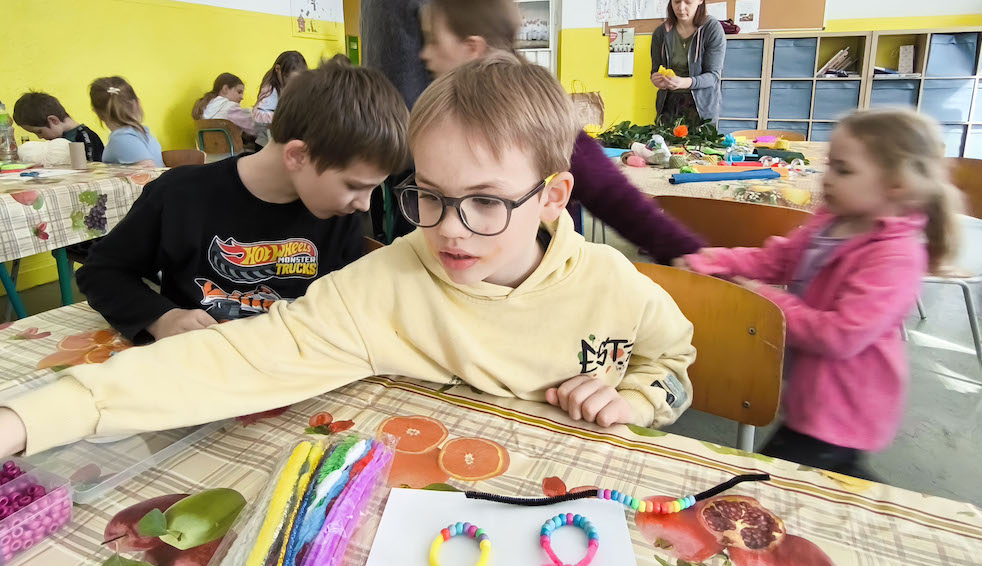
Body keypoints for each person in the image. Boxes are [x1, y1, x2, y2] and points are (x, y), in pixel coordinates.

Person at [0, 54, 696, 457]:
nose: (449, 231)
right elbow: (235, 358)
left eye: (486, 201)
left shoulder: (614, 284)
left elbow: (672, 368)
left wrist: (636, 400)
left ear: (553, 197)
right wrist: (32, 419)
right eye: (428, 196)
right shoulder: (381, 285)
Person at [677, 108, 961, 479]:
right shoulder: (832, 222)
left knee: (777, 481)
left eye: (843, 170)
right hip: (809, 391)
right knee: (826, 478)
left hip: (845, 405)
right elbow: (777, 259)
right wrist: (715, 259)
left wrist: (766, 300)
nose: (827, 178)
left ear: (895, 185)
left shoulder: (896, 255)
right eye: (830, 165)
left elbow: (840, 335)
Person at [78, 63, 407, 343]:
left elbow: (349, 300)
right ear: (297, 156)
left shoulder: (339, 214)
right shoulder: (180, 196)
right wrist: (161, 318)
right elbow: (102, 272)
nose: (365, 205)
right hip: (202, 363)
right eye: (354, 186)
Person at [420, 0, 704, 263]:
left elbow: (611, 193)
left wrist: (689, 253)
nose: (425, 55)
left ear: (472, 48)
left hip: (542, 276)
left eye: (433, 41)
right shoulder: (447, 115)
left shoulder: (529, 110)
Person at [650, 0, 726, 125]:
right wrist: (656, 79)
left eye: (688, 1)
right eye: (676, 1)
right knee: (664, 141)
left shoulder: (711, 29)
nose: (681, 7)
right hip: (669, 106)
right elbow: (655, 70)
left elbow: (713, 76)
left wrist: (684, 82)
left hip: (701, 107)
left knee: (699, 141)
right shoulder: (661, 33)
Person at [89, 77, 162, 166]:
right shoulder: (139, 133)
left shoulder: (122, 138)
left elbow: (147, 168)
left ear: (97, 113)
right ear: (137, 103)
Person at [12, 91, 104, 161]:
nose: (40, 137)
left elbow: (93, 168)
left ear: (53, 120)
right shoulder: (57, 140)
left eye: (39, 132)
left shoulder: (85, 137)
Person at [252, 51, 307, 145]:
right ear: (278, 69)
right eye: (289, 78)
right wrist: (284, 117)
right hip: (266, 144)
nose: (292, 83)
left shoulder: (297, 87)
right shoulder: (270, 89)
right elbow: (257, 115)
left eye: (297, 80)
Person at [192, 72, 257, 141]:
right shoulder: (230, 108)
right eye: (239, 92)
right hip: (230, 147)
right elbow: (254, 128)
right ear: (225, 89)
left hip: (207, 147)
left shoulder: (204, 106)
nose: (242, 97)